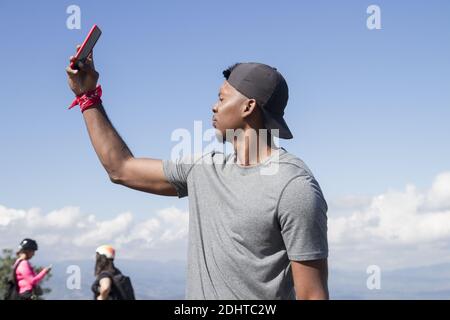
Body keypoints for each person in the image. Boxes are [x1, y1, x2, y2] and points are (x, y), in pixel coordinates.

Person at [66, 48, 329, 299]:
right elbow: (120, 168)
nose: (214, 107)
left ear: (248, 107)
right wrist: (88, 96)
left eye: (222, 98)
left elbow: (312, 295)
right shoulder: (204, 169)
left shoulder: (294, 186)